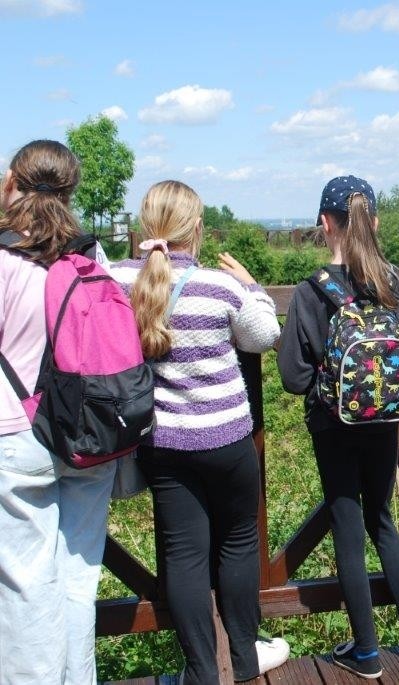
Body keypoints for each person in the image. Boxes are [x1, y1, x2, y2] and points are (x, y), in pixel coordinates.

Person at [109, 180, 288, 684]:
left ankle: (202, 671)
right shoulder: (218, 285)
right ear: (197, 228)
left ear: (145, 226)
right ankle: (246, 658)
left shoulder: (119, 281)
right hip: (227, 440)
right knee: (239, 543)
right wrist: (253, 286)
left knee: (184, 555)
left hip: (163, 445)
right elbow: (265, 335)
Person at [277, 176, 399, 679]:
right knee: (382, 520)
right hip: (384, 425)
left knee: (348, 530)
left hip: (333, 427)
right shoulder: (395, 283)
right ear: (374, 221)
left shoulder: (311, 292)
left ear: (324, 223)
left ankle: (366, 653)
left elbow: (293, 378)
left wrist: (331, 383)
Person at [0, 140, 117, 685]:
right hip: (89, 437)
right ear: (72, 192)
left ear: (11, 183)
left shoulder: (4, 260)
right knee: (77, 581)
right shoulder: (91, 255)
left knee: (27, 588)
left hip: (18, 435)